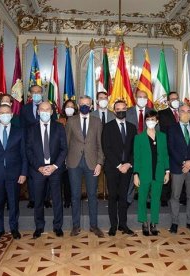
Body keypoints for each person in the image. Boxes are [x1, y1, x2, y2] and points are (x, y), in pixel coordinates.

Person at [0, 104, 27, 240]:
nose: (5, 115)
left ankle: (14, 228)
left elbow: (24, 154)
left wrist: (23, 173)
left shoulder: (19, 131)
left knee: (13, 203)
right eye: (2, 113)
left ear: (12, 115)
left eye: (7, 112)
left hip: (14, 174)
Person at [26, 101, 68, 238]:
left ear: (51, 112)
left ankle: (57, 226)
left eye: (47, 109)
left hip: (55, 169)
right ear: (38, 112)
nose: (44, 112)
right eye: (41, 109)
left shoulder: (59, 127)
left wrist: (54, 166)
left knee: (57, 199)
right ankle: (39, 227)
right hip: (38, 170)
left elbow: (64, 149)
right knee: (38, 200)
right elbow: (29, 151)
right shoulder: (31, 129)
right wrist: (39, 167)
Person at [65, 95, 105, 237]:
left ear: (92, 106)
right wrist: (65, 161)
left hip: (92, 163)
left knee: (92, 195)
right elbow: (66, 143)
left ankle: (94, 226)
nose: (84, 106)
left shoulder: (97, 121)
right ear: (78, 105)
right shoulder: (71, 121)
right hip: (74, 163)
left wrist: (100, 163)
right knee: (75, 195)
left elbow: (101, 144)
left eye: (87, 104)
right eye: (82, 104)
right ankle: (75, 226)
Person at [102, 100, 137, 236]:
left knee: (123, 197)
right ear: (114, 110)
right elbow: (107, 148)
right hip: (112, 167)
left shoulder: (132, 127)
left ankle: (123, 225)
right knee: (113, 197)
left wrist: (128, 164)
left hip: (127, 168)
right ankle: (113, 226)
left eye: (123, 108)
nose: (121, 111)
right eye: (118, 109)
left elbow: (135, 149)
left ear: (126, 110)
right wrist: (119, 165)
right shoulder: (108, 127)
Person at [167, 103, 190, 234]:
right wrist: (183, 163)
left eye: (188, 111)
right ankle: (175, 222)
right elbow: (171, 148)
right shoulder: (172, 129)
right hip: (178, 167)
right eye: (183, 111)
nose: (186, 113)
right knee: (175, 196)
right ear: (178, 113)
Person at [133, 110, 170, 236]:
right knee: (142, 199)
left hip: (158, 173)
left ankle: (154, 223)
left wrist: (167, 172)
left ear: (157, 121)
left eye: (153, 119)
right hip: (144, 174)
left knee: (155, 199)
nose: (150, 122)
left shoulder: (163, 136)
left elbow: (165, 155)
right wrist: (136, 174)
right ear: (145, 122)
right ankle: (144, 222)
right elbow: (136, 157)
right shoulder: (139, 138)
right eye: (148, 120)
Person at [20, 85, 43, 209]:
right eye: (34, 92)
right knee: (32, 173)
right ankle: (33, 199)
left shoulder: (49, 107)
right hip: (30, 145)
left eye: (38, 92)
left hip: (46, 144)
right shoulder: (24, 109)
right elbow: (22, 128)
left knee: (46, 172)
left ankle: (46, 199)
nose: (36, 94)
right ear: (30, 94)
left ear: (42, 93)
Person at [158, 91, 180, 207]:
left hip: (181, 149)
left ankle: (180, 197)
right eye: (172, 99)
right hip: (166, 148)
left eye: (176, 98)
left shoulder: (183, 112)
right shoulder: (162, 114)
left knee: (179, 173)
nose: (175, 101)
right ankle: (164, 198)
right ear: (167, 101)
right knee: (165, 173)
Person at [57, 99, 78, 208]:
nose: (69, 108)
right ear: (64, 108)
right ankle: (62, 200)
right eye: (67, 106)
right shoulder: (60, 121)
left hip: (74, 153)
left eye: (72, 106)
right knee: (62, 179)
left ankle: (69, 200)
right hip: (61, 153)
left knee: (71, 180)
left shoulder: (78, 120)